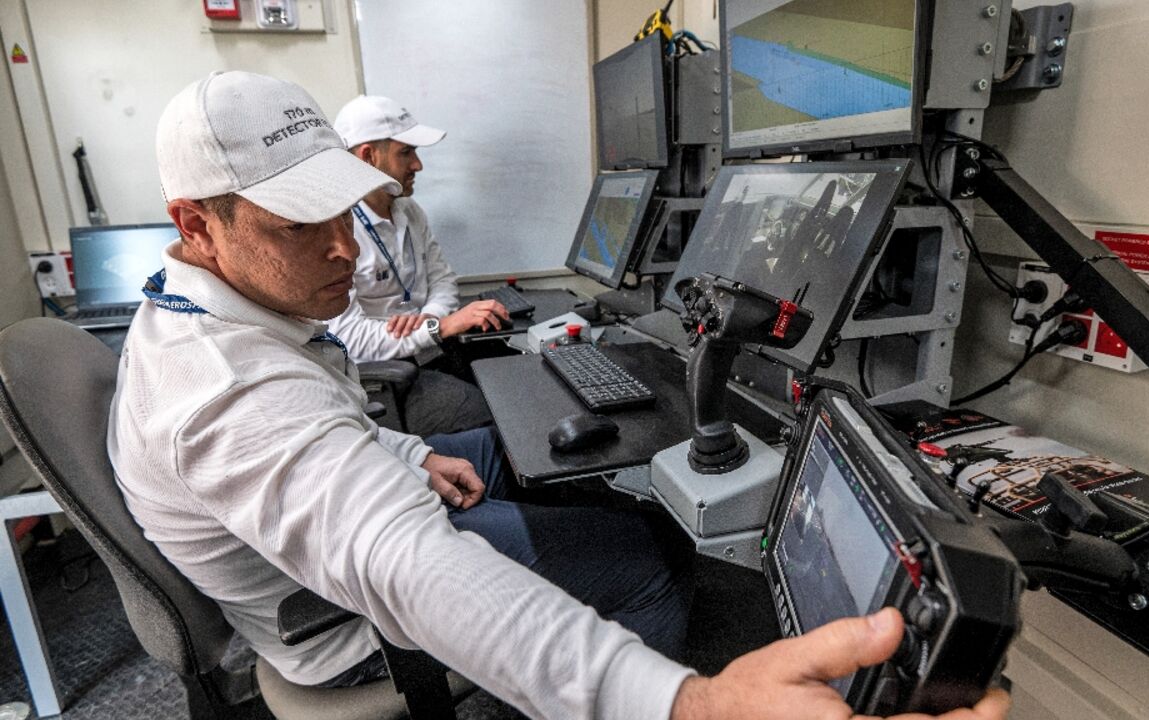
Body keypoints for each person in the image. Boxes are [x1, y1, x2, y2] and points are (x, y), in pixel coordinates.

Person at [109, 71, 1010, 720]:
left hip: (326, 535)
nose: (342, 248)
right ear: (196, 222)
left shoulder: (217, 310)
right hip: (336, 622)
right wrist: (689, 701)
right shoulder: (222, 391)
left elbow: (327, 428)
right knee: (653, 559)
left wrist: (410, 451)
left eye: (344, 210)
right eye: (300, 225)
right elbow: (400, 561)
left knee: (527, 467)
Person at [327, 94, 504, 436]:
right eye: (406, 152)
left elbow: (443, 281)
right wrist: (439, 328)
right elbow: (347, 340)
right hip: (384, 378)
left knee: (511, 378)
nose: (418, 165)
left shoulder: (409, 211)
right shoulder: (338, 231)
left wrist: (431, 319)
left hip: (428, 351)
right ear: (368, 156)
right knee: (498, 417)